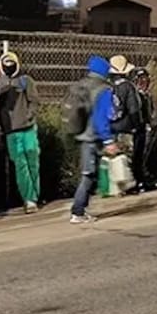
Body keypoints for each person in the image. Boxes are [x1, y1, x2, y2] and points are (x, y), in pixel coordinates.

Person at [69, 56, 117, 224]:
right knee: (88, 175)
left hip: (82, 134)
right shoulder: (103, 89)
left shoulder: (82, 84)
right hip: (94, 137)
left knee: (89, 173)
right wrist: (108, 140)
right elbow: (101, 118)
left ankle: (82, 209)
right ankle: (78, 210)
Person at [0, 51, 42, 213]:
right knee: (21, 165)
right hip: (11, 132)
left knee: (33, 163)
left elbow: (34, 101)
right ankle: (29, 199)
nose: (9, 67)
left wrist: (29, 116)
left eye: (11, 64)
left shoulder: (25, 80)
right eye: (5, 64)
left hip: (28, 128)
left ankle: (35, 195)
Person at [108, 55, 142, 194]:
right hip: (125, 126)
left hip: (110, 127)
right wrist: (137, 125)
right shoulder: (128, 87)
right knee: (126, 156)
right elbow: (133, 108)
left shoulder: (107, 86)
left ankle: (114, 187)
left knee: (112, 157)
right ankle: (128, 185)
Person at [132, 68, 154, 190]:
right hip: (137, 127)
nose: (143, 82)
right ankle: (137, 180)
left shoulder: (147, 95)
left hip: (144, 126)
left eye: (145, 79)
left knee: (141, 154)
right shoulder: (136, 95)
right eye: (140, 79)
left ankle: (141, 178)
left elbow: (150, 110)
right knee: (136, 154)